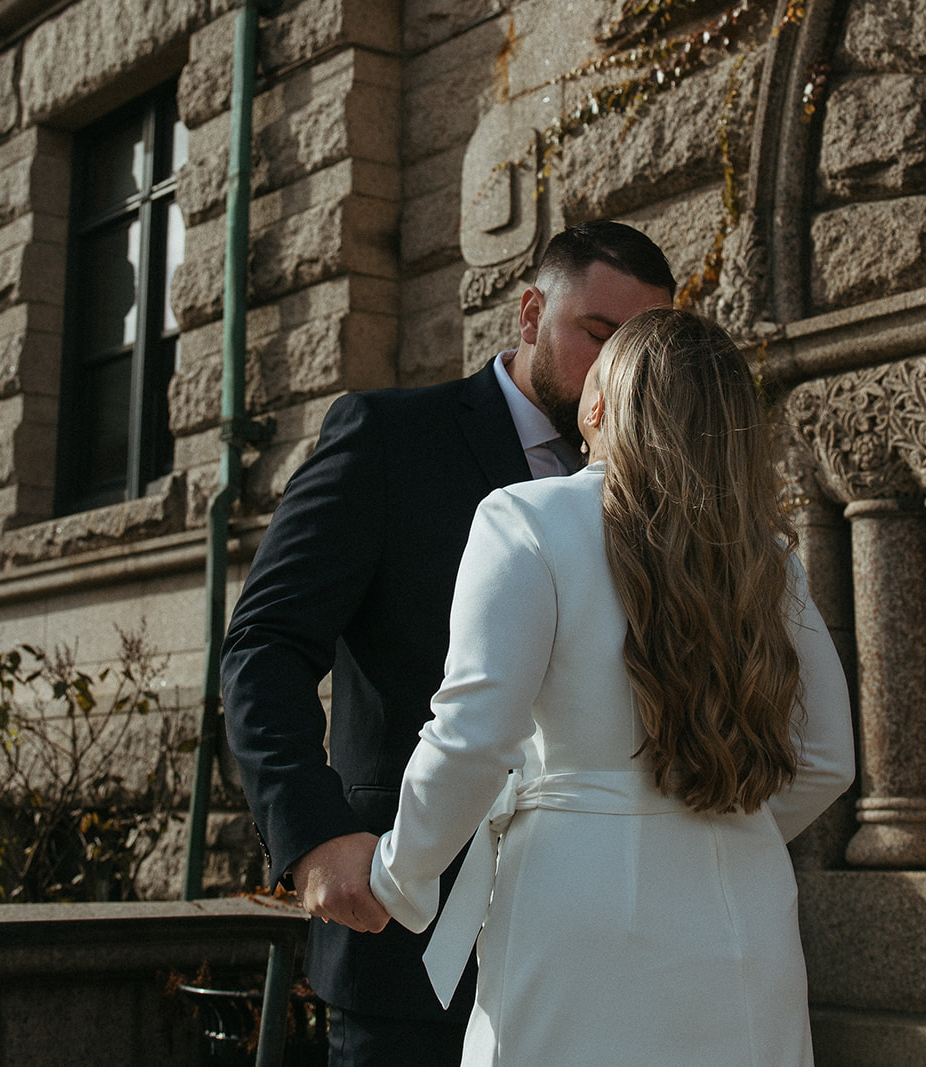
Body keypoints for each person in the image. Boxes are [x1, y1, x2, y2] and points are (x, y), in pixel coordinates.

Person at [221, 221, 676, 1065]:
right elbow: (265, 643)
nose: (616, 371)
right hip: (407, 937)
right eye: (599, 336)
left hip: (599, 950)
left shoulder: (656, 492)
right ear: (531, 313)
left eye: (640, 349)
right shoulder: (389, 440)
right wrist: (312, 832)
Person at [365, 307, 855, 1066]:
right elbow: (828, 757)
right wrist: (712, 822)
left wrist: (398, 871)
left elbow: (471, 734)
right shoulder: (767, 558)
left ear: (597, 406)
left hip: (573, 903)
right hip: (746, 911)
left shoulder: (526, 517)